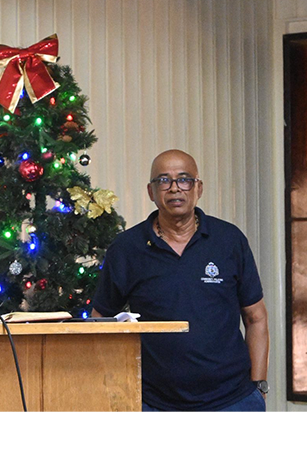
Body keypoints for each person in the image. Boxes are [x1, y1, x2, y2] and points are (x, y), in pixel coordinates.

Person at [91, 149, 270, 412]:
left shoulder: (229, 240)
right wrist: (118, 389)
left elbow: (256, 318)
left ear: (198, 188)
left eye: (184, 179)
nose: (175, 188)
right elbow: (101, 321)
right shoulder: (127, 248)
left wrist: (259, 387)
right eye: (163, 180)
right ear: (151, 192)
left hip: (233, 400)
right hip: (154, 402)